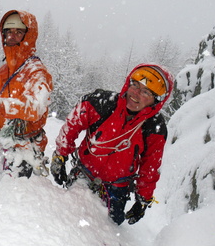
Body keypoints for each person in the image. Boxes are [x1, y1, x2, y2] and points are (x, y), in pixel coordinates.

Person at [50, 64, 174, 225]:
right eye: (135, 85)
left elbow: (150, 165)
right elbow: (72, 126)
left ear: (156, 101)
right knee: (68, 216)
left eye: (145, 92)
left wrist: (143, 199)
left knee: (108, 227)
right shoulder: (100, 103)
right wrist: (60, 154)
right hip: (83, 173)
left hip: (117, 188)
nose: (135, 93)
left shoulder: (154, 128)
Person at [0, 10, 53, 178]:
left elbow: (34, 108)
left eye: (18, 32)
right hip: (4, 148)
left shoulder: (37, 72)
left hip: (27, 152)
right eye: (8, 32)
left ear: (28, 36)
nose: (12, 36)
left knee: (18, 201)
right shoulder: (3, 71)